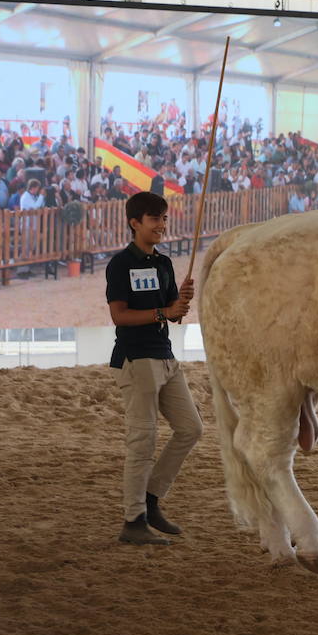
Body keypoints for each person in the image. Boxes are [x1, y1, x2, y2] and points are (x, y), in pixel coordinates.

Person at [105, 191, 202, 545]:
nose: (161, 225)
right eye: (154, 219)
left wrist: (180, 302)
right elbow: (119, 315)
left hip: (165, 356)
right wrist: (165, 311)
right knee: (142, 441)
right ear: (135, 223)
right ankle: (133, 521)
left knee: (191, 428)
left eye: (164, 218)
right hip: (136, 359)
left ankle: (150, 498)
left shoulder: (164, 263)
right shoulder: (120, 264)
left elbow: (172, 312)